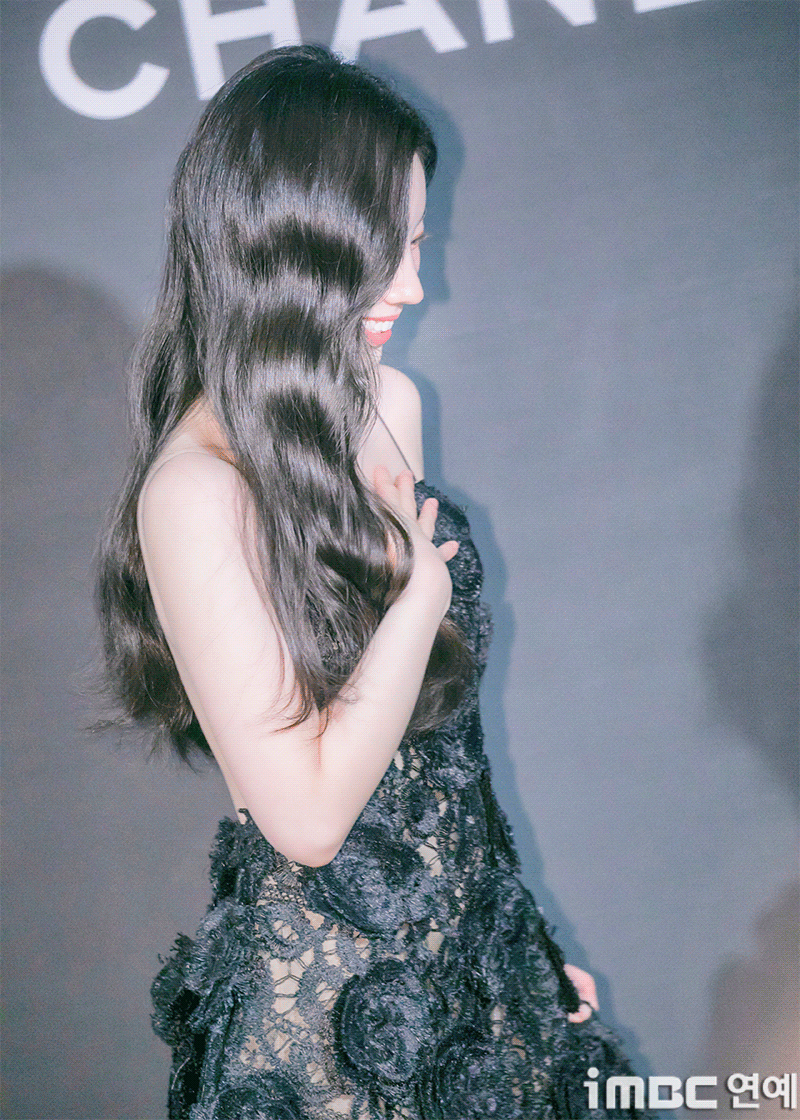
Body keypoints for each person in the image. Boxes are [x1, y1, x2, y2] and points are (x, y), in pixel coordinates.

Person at [97, 45, 648, 1120]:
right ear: (287, 251)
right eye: (382, 252)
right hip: (328, 1030)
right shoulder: (194, 492)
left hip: (470, 967)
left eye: (416, 244)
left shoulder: (386, 403)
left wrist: (510, 941)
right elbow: (305, 818)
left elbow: (435, 740)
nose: (412, 286)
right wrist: (418, 603)